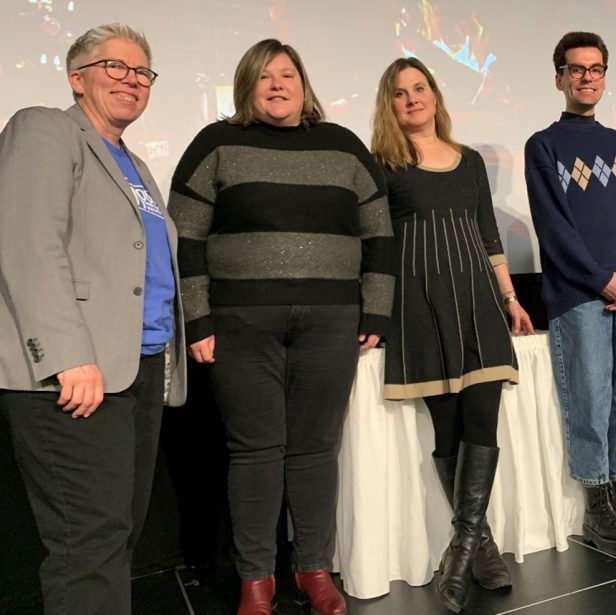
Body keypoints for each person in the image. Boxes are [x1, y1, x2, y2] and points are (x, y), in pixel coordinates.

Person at [168, 39, 393, 615]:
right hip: (240, 325)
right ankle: (255, 581)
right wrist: (196, 319)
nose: (276, 84)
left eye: (286, 74)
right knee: (255, 452)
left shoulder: (343, 147)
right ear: (247, 86)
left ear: (303, 84)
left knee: (316, 450)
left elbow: (380, 237)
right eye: (263, 76)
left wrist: (376, 310)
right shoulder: (216, 144)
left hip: (331, 323)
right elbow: (185, 240)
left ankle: (314, 570)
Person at [0, 23, 186, 615]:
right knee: (89, 543)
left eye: (142, 72)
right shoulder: (44, 128)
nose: (131, 80)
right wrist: (66, 355)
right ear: (76, 78)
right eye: (115, 67)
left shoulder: (131, 162)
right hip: (78, 373)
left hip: (134, 368)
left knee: (114, 535)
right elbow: (28, 243)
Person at [370, 56, 533, 614]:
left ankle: (459, 556)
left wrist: (510, 298)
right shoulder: (383, 165)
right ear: (388, 104)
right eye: (399, 92)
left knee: (482, 418)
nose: (411, 98)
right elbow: (376, 245)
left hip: (479, 303)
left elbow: (488, 233)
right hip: (419, 304)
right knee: (447, 426)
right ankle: (480, 544)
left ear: (435, 96)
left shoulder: (468, 163)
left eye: (419, 88)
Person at [525, 31, 616, 555]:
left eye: (595, 68)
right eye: (576, 69)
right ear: (559, 78)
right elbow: (554, 228)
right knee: (590, 395)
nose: (587, 77)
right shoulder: (543, 145)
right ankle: (598, 501)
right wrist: (601, 278)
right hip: (579, 293)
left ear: (605, 76)